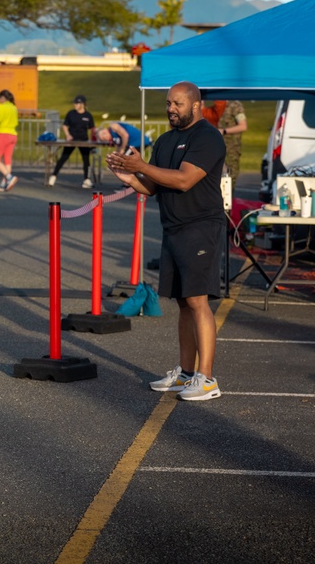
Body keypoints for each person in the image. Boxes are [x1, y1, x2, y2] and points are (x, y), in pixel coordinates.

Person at [105, 81, 226, 401]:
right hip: (173, 228)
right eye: (169, 103)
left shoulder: (207, 137)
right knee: (183, 301)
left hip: (200, 227)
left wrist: (141, 165)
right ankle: (185, 374)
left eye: (178, 104)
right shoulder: (165, 140)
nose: (171, 108)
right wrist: (130, 177)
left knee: (199, 301)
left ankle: (207, 378)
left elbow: (185, 180)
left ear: (196, 105)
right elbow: (153, 187)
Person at [49, 95, 95, 188]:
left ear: (82, 104)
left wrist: (92, 141)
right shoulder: (71, 114)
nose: (75, 105)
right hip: (72, 140)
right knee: (63, 158)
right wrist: (68, 135)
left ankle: (87, 179)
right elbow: (65, 126)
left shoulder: (88, 115)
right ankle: (53, 176)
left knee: (86, 160)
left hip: (83, 140)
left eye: (77, 103)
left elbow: (92, 129)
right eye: (74, 103)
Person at [0, 89, 19, 192]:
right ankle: (4, 183)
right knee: (7, 160)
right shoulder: (13, 107)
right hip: (13, 135)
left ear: (2, 98)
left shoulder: (1, 107)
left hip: (3, 134)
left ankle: (9, 177)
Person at [216, 101, 247, 191]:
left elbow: (243, 126)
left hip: (231, 148)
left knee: (230, 177)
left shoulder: (235, 105)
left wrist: (223, 131)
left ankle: (229, 201)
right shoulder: (214, 104)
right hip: (215, 147)